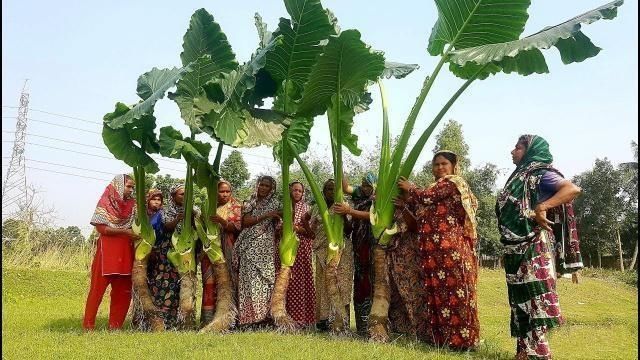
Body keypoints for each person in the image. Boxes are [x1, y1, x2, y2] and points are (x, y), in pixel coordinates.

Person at [496, 135, 582, 360]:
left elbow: (571, 189)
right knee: (521, 305)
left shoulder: (540, 174)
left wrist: (543, 205)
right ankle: (524, 354)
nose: (512, 151)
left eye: (517, 148)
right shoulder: (519, 176)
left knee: (535, 304)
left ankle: (540, 355)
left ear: (529, 150)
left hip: (534, 248)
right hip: (514, 249)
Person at [398, 150, 480, 350]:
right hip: (434, 251)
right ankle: (443, 339)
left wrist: (410, 188)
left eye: (444, 164)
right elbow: (423, 208)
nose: (440, 168)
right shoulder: (437, 187)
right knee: (438, 293)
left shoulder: (453, 183)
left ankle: (462, 342)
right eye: (436, 165)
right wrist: (406, 201)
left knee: (456, 293)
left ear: (453, 166)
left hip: (451, 249)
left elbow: (426, 197)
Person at [83, 174, 138, 330]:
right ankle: (88, 325)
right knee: (97, 290)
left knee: (123, 291)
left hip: (126, 251)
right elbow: (101, 228)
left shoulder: (134, 205)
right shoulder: (105, 201)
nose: (131, 189)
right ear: (118, 186)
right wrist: (124, 231)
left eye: (132, 187)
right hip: (107, 251)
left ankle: (115, 326)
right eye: (128, 186)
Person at [234, 175, 282, 327]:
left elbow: (280, 223)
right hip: (249, 244)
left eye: (267, 186)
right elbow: (246, 222)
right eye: (261, 184)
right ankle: (249, 320)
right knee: (249, 281)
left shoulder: (276, 203)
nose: (263, 188)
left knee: (266, 280)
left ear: (271, 188)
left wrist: (277, 221)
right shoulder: (250, 201)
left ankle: (264, 319)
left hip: (266, 246)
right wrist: (266, 215)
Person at [312, 179, 354, 331]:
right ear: (323, 191)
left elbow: (349, 230)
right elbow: (311, 227)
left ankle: (341, 320)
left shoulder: (344, 206)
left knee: (342, 283)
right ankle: (323, 320)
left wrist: (343, 214)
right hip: (322, 250)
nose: (330, 192)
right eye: (328, 189)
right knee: (323, 286)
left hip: (342, 250)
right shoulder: (317, 208)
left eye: (333, 189)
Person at [199, 180, 242, 328]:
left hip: (228, 249)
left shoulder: (236, 207)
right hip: (210, 251)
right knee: (210, 284)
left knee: (229, 283)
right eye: (221, 191)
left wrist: (222, 222)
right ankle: (208, 320)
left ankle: (229, 320)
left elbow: (238, 227)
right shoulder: (208, 207)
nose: (224, 194)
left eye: (227, 192)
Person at [340, 172, 377, 335]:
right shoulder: (359, 193)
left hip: (374, 244)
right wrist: (341, 169)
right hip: (359, 242)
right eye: (363, 184)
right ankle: (362, 325)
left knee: (373, 282)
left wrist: (350, 211)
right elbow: (345, 187)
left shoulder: (379, 198)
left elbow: (374, 217)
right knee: (361, 281)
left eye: (368, 185)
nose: (365, 188)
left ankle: (374, 323)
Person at [131, 188, 168, 331]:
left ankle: (155, 321)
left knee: (155, 289)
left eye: (159, 200)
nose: (157, 202)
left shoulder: (162, 214)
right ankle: (138, 321)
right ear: (147, 200)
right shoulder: (140, 215)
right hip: (141, 254)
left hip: (158, 255)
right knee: (140, 287)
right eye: (154, 199)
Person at [387, 189, 422, 338]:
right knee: (395, 293)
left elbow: (415, 226)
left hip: (410, 255)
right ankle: (399, 327)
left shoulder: (416, 205)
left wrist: (403, 207)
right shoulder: (391, 206)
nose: (401, 196)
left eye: (404, 193)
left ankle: (416, 329)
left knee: (412, 293)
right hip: (393, 254)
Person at [283, 181, 316, 328]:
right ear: (289, 191)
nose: (297, 193)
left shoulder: (307, 209)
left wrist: (295, 228)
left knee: (300, 282)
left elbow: (311, 233)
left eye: (299, 191)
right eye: (294, 190)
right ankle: (284, 316)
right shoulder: (283, 207)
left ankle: (301, 318)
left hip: (302, 249)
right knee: (285, 282)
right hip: (284, 250)